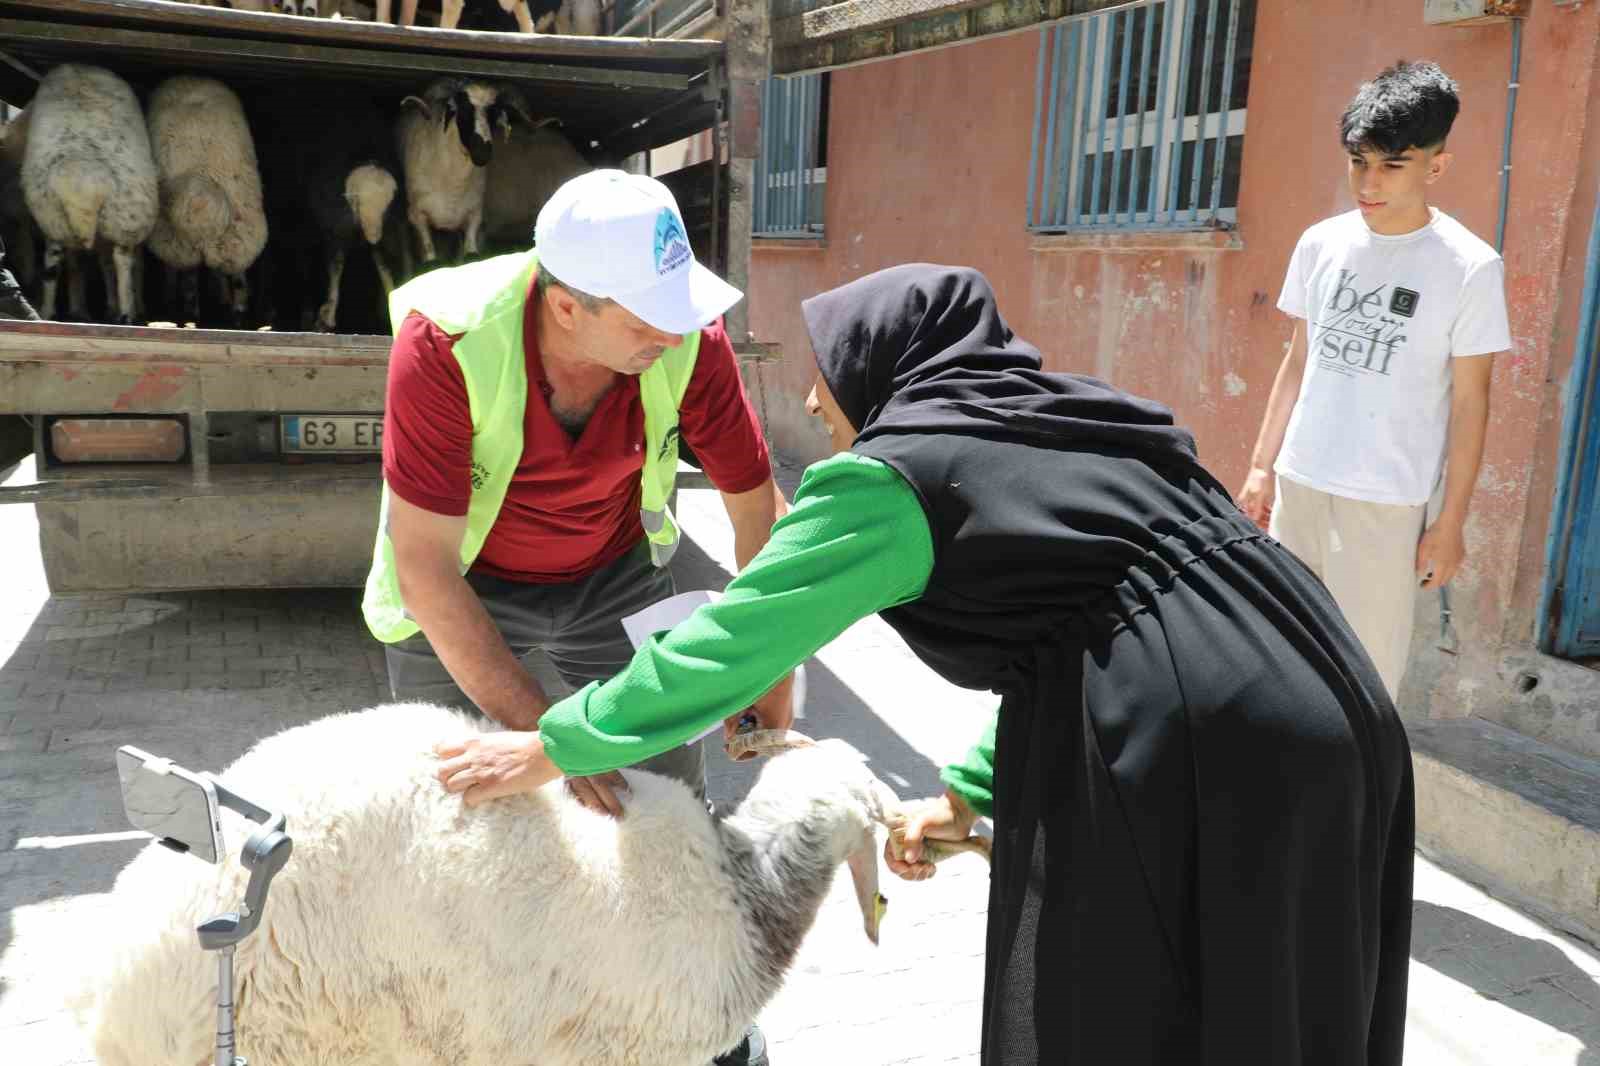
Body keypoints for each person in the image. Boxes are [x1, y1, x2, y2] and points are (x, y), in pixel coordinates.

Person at [432, 263, 1416, 1065]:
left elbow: (730, 641)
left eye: (830, 412)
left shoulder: (896, 475)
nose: (830, 427)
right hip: (1332, 698)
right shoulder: (1069, 416)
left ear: (879, 379)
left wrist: (549, 745)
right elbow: (1095, 620)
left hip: (1206, 740)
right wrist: (973, 791)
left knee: (1136, 1006)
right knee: (1282, 1005)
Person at [362, 169, 790, 1066]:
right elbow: (429, 573)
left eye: (677, 309)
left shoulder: (686, 338)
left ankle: (701, 1006)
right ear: (565, 306)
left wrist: (771, 676)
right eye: (643, 318)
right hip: (469, 588)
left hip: (612, 573)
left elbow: (757, 511)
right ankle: (480, 1019)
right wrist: (557, 741)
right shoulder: (447, 343)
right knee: (460, 807)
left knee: (666, 796)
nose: (671, 332)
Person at [1237, 60, 1509, 698]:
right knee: (1280, 655)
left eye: (1393, 164)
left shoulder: (1469, 267)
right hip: (1300, 483)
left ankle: (1361, 797)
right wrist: (1259, 465)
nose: (1369, 181)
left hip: (1387, 500)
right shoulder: (1321, 243)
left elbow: (1472, 403)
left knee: (1364, 678)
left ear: (1435, 167)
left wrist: (1451, 521)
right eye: (1359, 161)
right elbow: (1299, 359)